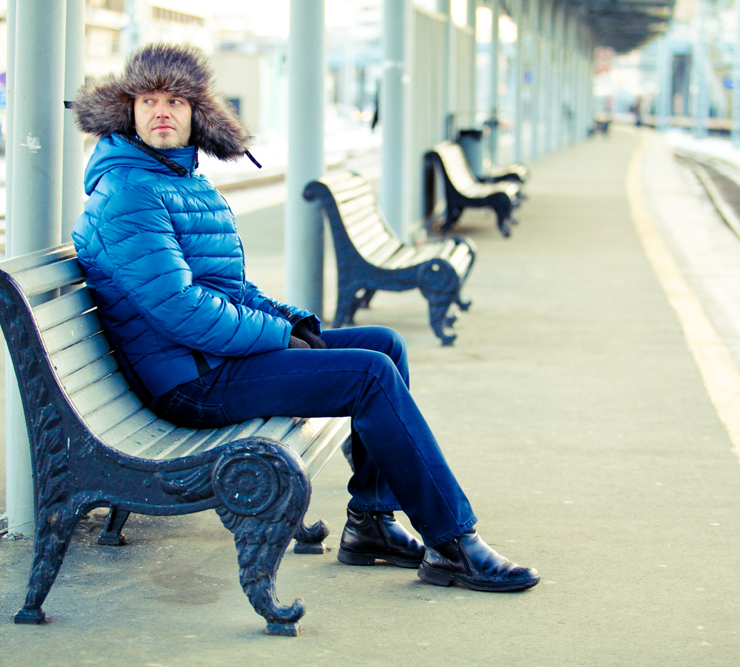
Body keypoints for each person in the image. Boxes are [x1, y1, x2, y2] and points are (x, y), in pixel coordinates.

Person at [70, 42, 538, 593]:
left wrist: (292, 323)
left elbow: (230, 288)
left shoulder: (179, 178)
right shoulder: (131, 192)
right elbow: (181, 310)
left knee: (384, 345)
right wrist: (277, 338)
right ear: (129, 110)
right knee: (368, 375)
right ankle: (454, 543)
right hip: (190, 380)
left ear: (198, 114)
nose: (161, 112)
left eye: (175, 100)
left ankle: (371, 523)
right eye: (148, 100)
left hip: (211, 357)